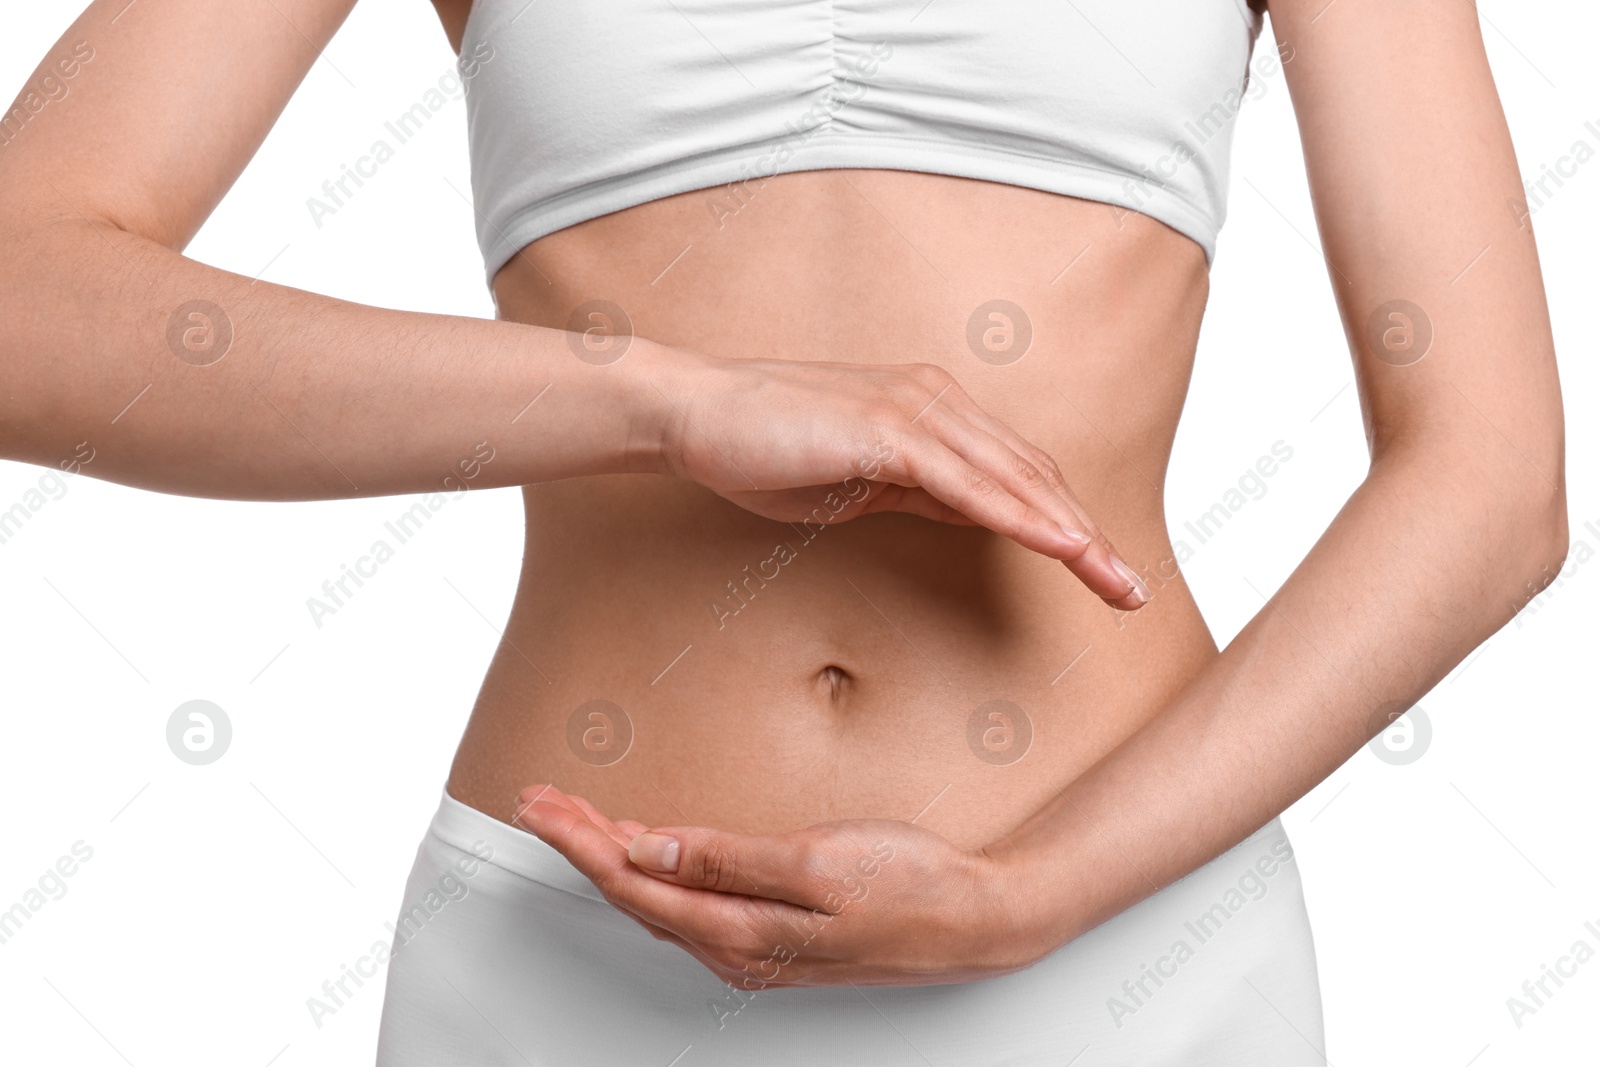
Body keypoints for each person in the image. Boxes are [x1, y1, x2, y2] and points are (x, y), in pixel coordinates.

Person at [0, 0, 1567, 1063]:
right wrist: (668, 398)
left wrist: (1042, 894)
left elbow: (1489, 477)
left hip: (1122, 958)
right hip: (574, 958)